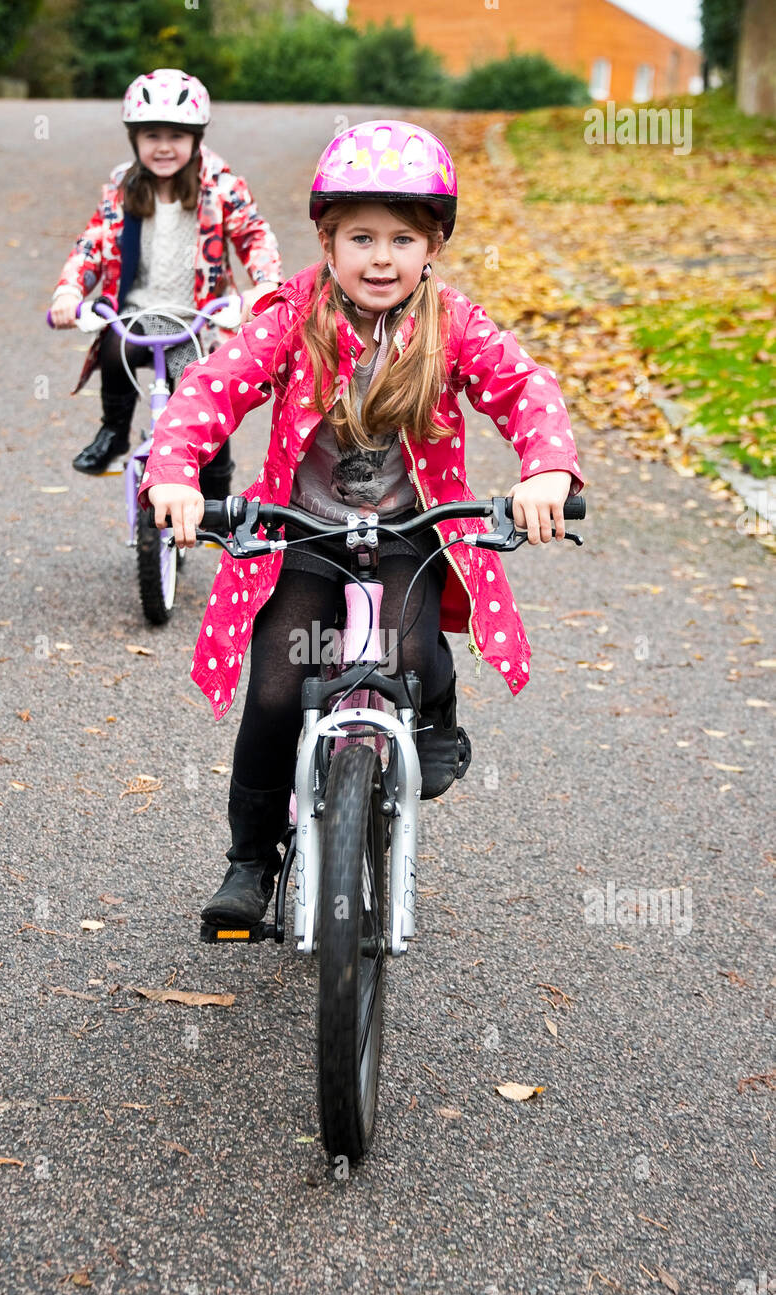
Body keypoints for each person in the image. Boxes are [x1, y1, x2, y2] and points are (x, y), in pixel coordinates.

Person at [139, 120, 586, 928]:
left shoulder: (454, 326)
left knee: (412, 653)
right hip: (303, 535)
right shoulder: (291, 315)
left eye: (402, 238)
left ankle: (437, 714)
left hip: (409, 532)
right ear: (326, 238)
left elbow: (526, 390)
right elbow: (211, 387)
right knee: (278, 685)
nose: (381, 257)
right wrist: (173, 473)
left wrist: (546, 470)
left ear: (433, 245)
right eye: (360, 237)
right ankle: (248, 860)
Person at [49, 68, 282, 492]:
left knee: (202, 392)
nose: (163, 147)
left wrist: (265, 285)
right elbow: (93, 243)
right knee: (114, 347)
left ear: (196, 138)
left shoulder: (222, 186)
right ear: (134, 138)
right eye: (151, 135)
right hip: (140, 315)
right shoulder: (122, 187)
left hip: (198, 320)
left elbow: (254, 234)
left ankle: (214, 485)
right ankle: (114, 431)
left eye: (176, 136)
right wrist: (70, 291)